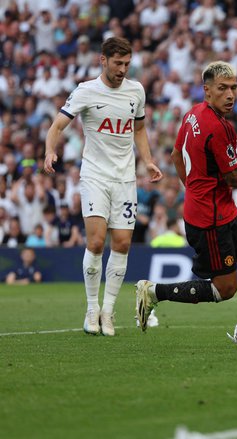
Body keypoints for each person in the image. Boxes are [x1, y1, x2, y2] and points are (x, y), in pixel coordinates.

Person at [135, 61, 237, 350]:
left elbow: (175, 155)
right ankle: (153, 292)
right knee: (225, 288)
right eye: (222, 88)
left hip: (221, 210)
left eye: (233, 88)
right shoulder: (219, 128)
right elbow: (232, 176)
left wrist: (193, 188)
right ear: (207, 90)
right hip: (210, 219)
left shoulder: (193, 114)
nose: (230, 94)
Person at [44, 37, 163, 337]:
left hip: (125, 178)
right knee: (96, 242)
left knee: (121, 244)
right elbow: (57, 125)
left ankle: (109, 312)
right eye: (117, 63)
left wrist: (147, 160)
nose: (123, 69)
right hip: (95, 175)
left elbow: (139, 129)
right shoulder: (86, 91)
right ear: (103, 60)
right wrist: (50, 150)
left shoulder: (136, 91)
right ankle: (92, 309)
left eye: (127, 64)